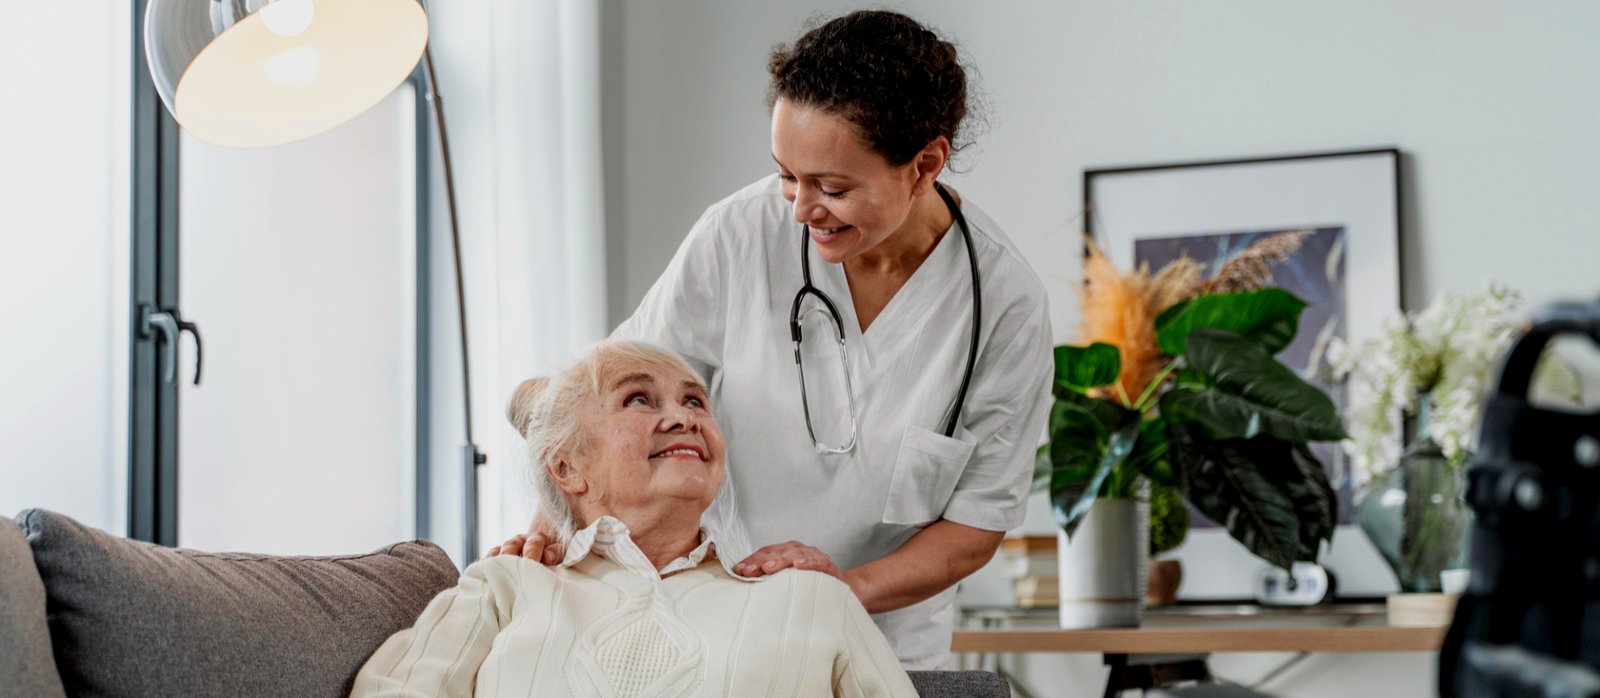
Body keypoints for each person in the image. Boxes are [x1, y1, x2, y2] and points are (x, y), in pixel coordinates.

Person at [492, 10, 1052, 669]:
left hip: (882, 645)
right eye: (787, 173)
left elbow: (973, 529)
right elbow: (609, 399)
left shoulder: (1003, 306)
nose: (799, 208)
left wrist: (841, 590)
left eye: (833, 187)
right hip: (708, 619)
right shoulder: (740, 233)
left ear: (925, 163)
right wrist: (548, 533)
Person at [352, 340, 916, 697]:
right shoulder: (505, 586)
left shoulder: (810, 597)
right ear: (568, 467)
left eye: (695, 402)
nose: (682, 418)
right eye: (638, 400)